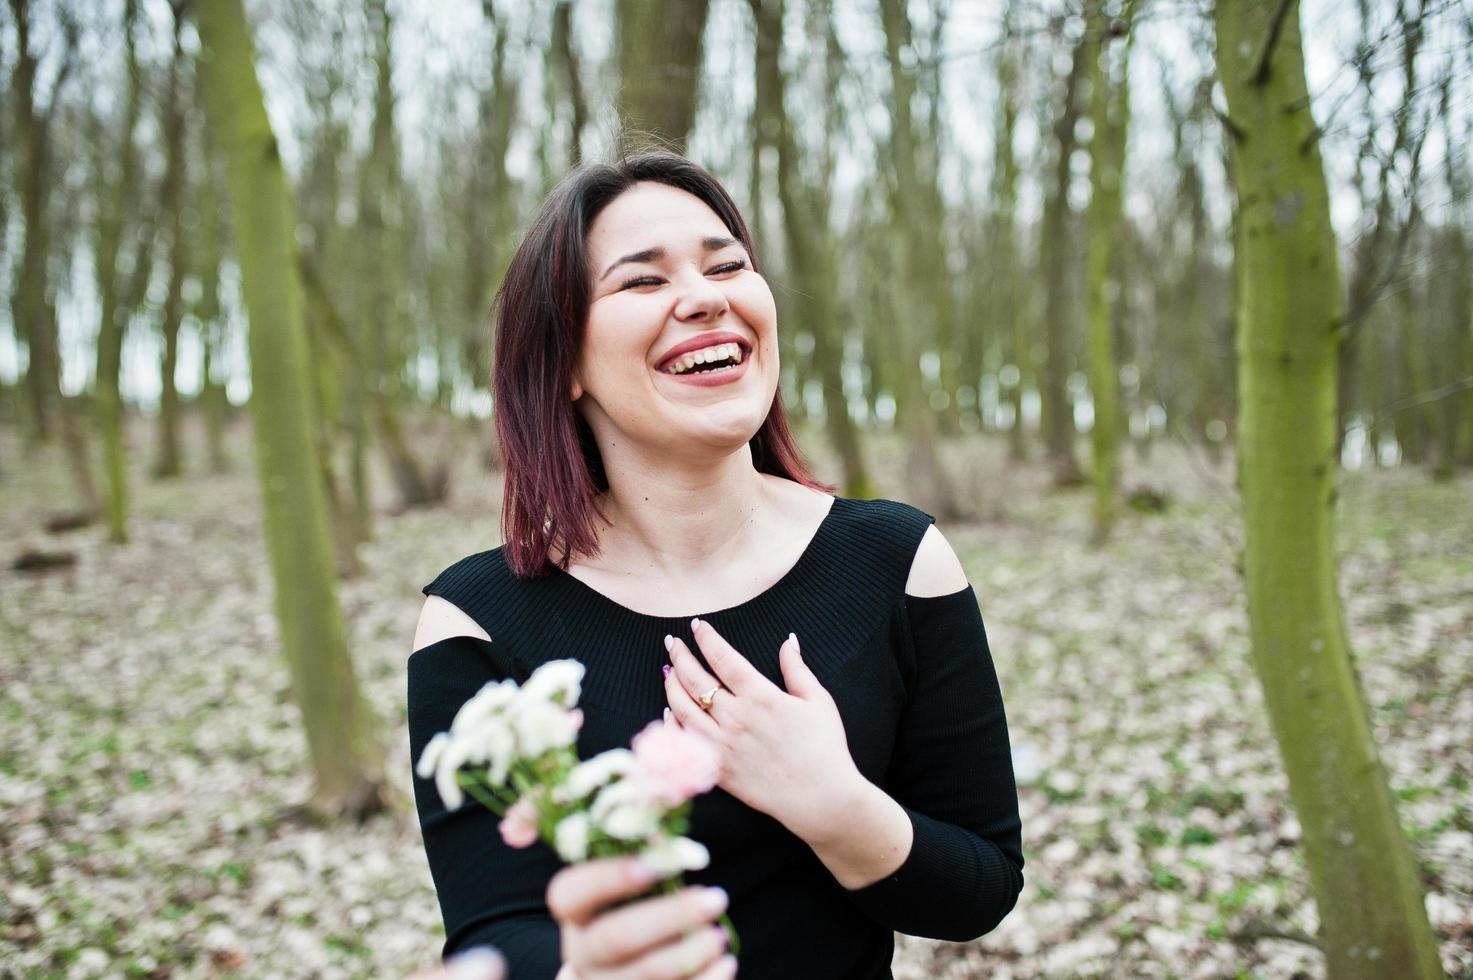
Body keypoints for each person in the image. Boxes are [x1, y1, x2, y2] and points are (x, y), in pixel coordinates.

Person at [407, 150, 1023, 980]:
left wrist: (832, 804)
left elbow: (977, 890)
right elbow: (491, 939)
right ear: (565, 366)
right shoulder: (476, 621)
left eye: (727, 264)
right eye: (642, 282)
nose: (706, 296)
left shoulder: (899, 561)